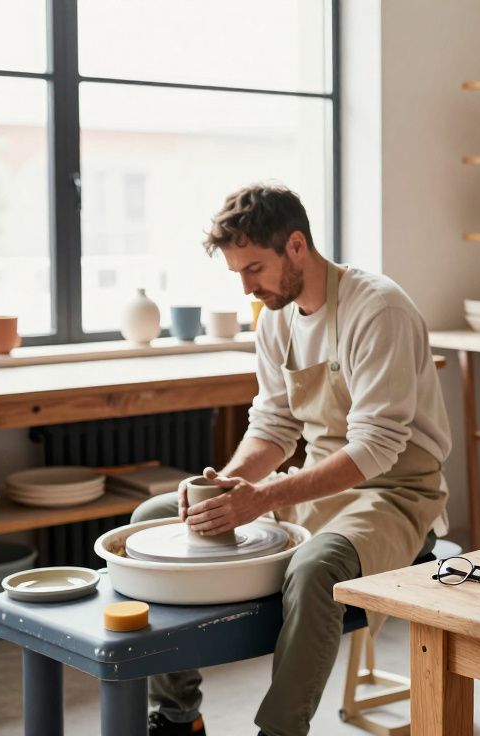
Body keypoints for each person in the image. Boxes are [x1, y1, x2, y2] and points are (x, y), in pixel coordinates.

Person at [134, 184, 452, 736]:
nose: (246, 286)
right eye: (237, 273)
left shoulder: (378, 309)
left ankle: (280, 731)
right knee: (155, 519)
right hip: (319, 484)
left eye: (255, 268)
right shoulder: (275, 318)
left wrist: (261, 499)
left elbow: (376, 447)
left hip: (396, 493)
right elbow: (274, 427)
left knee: (313, 569)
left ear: (297, 246)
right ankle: (179, 715)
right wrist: (225, 485)